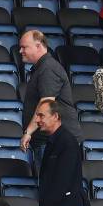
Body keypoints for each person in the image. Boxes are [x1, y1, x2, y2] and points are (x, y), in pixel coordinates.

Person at [19, 30, 83, 172]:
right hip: (50, 139)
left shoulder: (48, 68)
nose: (20, 51)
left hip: (54, 140)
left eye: (24, 47)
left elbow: (46, 104)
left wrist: (28, 132)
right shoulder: (43, 67)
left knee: (53, 185)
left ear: (38, 46)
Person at [35, 99, 88, 206]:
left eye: (41, 115)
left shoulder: (66, 141)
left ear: (56, 116)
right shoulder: (55, 140)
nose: (37, 120)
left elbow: (62, 179)